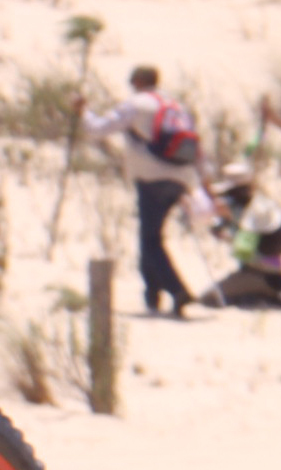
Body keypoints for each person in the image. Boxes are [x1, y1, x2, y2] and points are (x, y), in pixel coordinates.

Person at [85, 65, 199, 315]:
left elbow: (97, 129)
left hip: (151, 177)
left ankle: (178, 291)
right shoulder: (176, 105)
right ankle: (152, 296)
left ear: (137, 80)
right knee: (151, 237)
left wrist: (83, 111)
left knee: (150, 240)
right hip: (180, 177)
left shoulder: (136, 105)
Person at [203, 170, 281, 308]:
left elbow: (244, 251)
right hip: (270, 273)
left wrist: (225, 232)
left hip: (261, 275)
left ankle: (260, 294)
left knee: (209, 299)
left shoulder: (249, 215)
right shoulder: (259, 207)